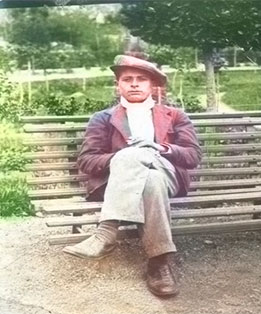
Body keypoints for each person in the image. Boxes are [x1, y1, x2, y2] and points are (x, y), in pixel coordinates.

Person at [63, 54, 201, 297]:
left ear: (152, 85)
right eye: (127, 79)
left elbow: (192, 157)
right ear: (119, 85)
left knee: (145, 162)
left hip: (167, 172)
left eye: (141, 79)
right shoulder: (103, 119)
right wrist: (123, 157)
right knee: (148, 178)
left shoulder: (174, 116)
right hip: (122, 182)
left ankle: (106, 234)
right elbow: (87, 160)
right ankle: (159, 265)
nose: (134, 84)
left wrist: (159, 148)